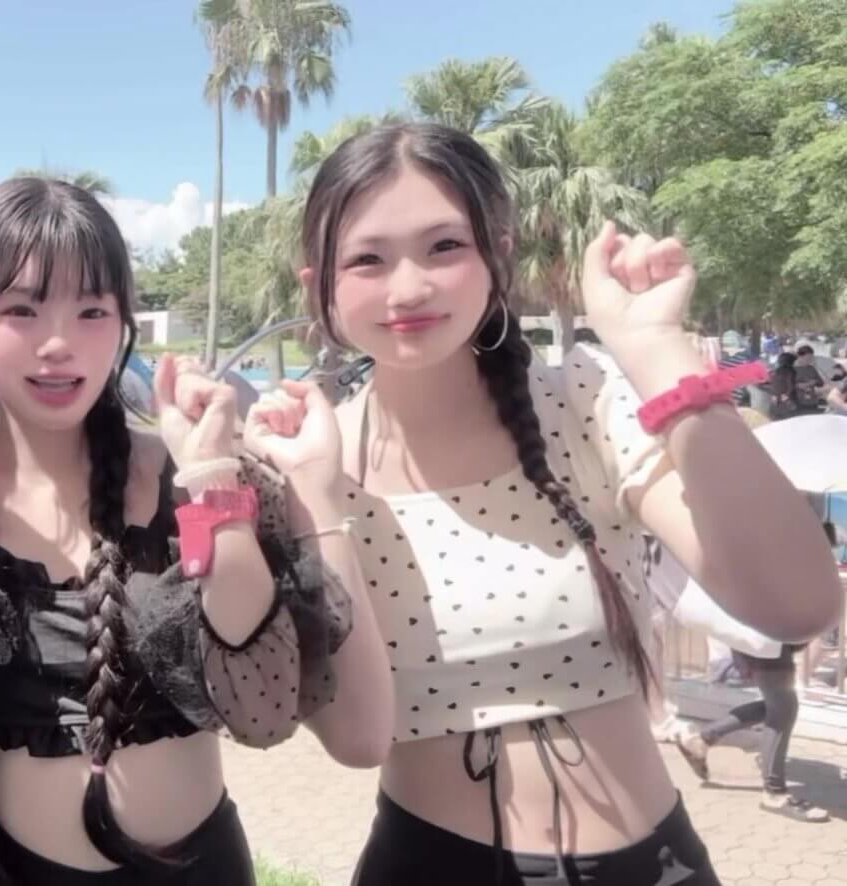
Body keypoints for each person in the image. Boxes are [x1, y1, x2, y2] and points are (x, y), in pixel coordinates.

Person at [294, 122, 841, 884]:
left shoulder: (584, 404)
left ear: (500, 253)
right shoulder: (309, 467)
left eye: (445, 246)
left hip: (655, 865)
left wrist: (655, 349)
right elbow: (346, 734)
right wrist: (309, 500)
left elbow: (797, 602)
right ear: (317, 284)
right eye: (368, 259)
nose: (408, 287)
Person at [0, 178, 389, 884]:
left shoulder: (190, 474)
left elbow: (262, 712)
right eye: (21, 309)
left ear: (123, 321)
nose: (58, 344)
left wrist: (211, 478)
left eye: (92, 311)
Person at [671, 520, 837, 823]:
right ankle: (774, 792)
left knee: (776, 706)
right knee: (783, 707)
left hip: (768, 639)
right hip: (765, 638)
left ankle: (702, 739)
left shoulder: (778, 548)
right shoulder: (781, 554)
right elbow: (755, 599)